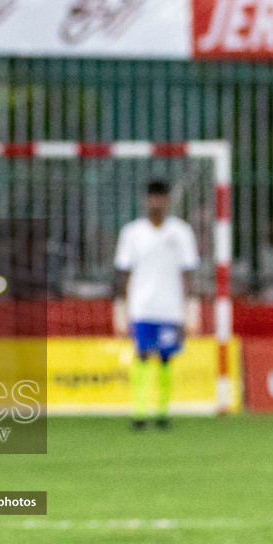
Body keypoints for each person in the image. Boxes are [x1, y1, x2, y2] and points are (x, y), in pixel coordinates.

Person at [112, 179, 199, 430]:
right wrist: (120, 311)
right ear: (145, 200)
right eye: (152, 197)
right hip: (142, 306)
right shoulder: (132, 233)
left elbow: (188, 274)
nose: (156, 202)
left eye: (161, 197)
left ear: (168, 200)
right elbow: (121, 273)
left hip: (170, 308)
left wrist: (190, 311)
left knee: (165, 358)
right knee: (141, 355)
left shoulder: (181, 232)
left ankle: (162, 412)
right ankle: (139, 412)